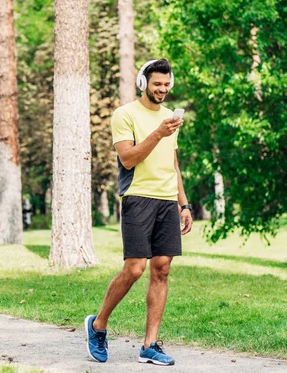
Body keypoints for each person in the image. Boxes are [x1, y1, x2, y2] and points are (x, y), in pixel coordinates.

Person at [85, 59, 193, 366]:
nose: (162, 89)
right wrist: (158, 133)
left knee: (161, 269)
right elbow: (128, 159)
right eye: (157, 83)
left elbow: (173, 165)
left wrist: (183, 204)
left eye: (166, 83)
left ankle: (149, 345)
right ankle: (97, 325)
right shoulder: (125, 114)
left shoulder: (170, 120)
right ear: (143, 83)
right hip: (137, 198)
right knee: (135, 269)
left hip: (166, 201)